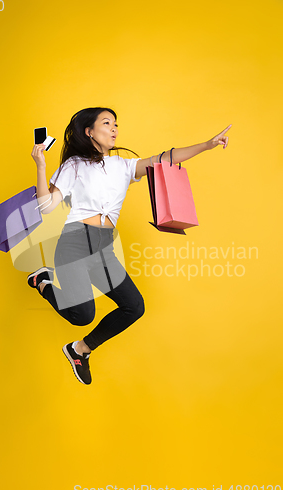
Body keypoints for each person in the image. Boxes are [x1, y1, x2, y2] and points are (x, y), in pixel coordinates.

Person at [28, 107, 231, 385]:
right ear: (89, 131)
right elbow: (47, 207)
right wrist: (41, 166)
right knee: (83, 315)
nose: (114, 129)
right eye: (107, 123)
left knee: (134, 306)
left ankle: (80, 350)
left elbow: (165, 159)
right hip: (75, 243)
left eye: (116, 124)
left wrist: (207, 145)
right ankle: (43, 281)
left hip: (102, 249)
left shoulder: (122, 166)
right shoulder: (73, 165)